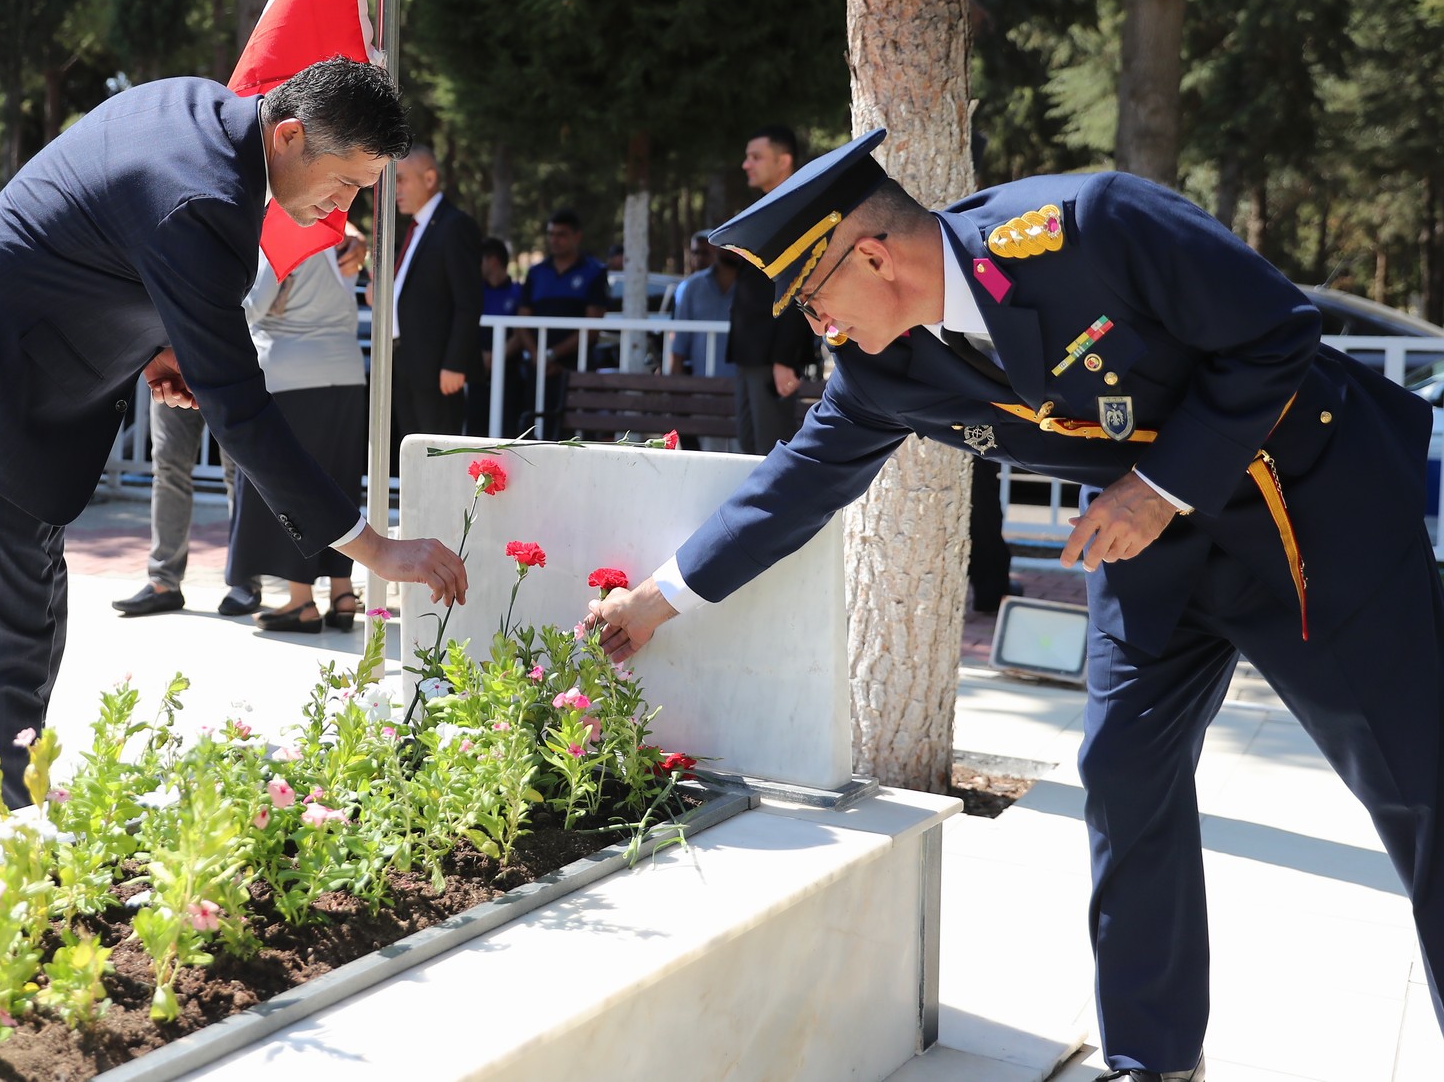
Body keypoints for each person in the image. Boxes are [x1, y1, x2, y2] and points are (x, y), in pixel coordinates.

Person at [588, 129, 1444, 1082]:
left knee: (1419, 781)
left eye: (818, 304)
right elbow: (799, 482)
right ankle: (1152, 1060)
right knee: (1122, 768)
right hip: (1151, 548)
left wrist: (1159, 486)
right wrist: (660, 598)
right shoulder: (885, 369)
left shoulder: (1092, 226)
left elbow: (1279, 329)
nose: (820, 332)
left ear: (871, 255)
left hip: (1311, 511)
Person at [0, 57, 470, 806]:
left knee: (31, 609)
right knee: (5, 633)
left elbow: (98, 239)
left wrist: (161, 347)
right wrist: (373, 546)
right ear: (289, 134)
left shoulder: (200, 110)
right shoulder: (204, 198)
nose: (341, 207)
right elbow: (242, 409)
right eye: (346, 182)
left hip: (13, 365)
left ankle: (18, 803)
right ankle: (10, 849)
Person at [229, 234, 368, 633]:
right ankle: (342, 592)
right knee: (338, 485)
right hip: (345, 372)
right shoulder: (341, 236)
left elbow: (252, 309)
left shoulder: (283, 230)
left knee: (293, 489)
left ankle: (300, 600)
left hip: (291, 374)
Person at [730, 125, 823, 453]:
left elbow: (801, 284)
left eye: (756, 157)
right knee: (748, 449)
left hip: (773, 357)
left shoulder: (797, 208)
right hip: (751, 353)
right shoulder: (768, 205)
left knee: (768, 453)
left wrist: (786, 357)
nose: (746, 164)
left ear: (784, 161)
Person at [384, 145, 482, 450]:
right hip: (405, 361)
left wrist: (455, 363)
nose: (395, 189)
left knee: (440, 455)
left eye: (401, 180)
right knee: (414, 455)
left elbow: (469, 302)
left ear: (429, 179)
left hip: (438, 368)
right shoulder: (417, 227)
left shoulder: (453, 225)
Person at [116, 400, 243, 618]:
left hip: (230, 372)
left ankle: (244, 578)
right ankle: (163, 582)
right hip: (174, 371)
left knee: (239, 473)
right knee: (167, 470)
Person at [518, 208, 610, 373]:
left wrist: (552, 354)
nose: (554, 240)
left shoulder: (594, 271)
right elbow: (522, 319)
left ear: (577, 236)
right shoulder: (536, 272)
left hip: (577, 366)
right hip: (537, 367)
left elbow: (592, 326)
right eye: (551, 234)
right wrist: (537, 355)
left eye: (561, 235)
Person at [472, 236, 526, 438]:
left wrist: (495, 357)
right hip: (478, 373)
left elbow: (521, 333)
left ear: (493, 261)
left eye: (479, 260)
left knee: (507, 432)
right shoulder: (474, 292)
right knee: (475, 432)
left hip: (509, 374)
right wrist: (482, 357)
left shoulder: (519, 292)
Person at [665, 232, 737, 381]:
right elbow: (678, 342)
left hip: (743, 385)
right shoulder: (690, 287)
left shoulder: (755, 286)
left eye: (705, 252)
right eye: (695, 252)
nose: (699, 258)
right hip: (703, 384)